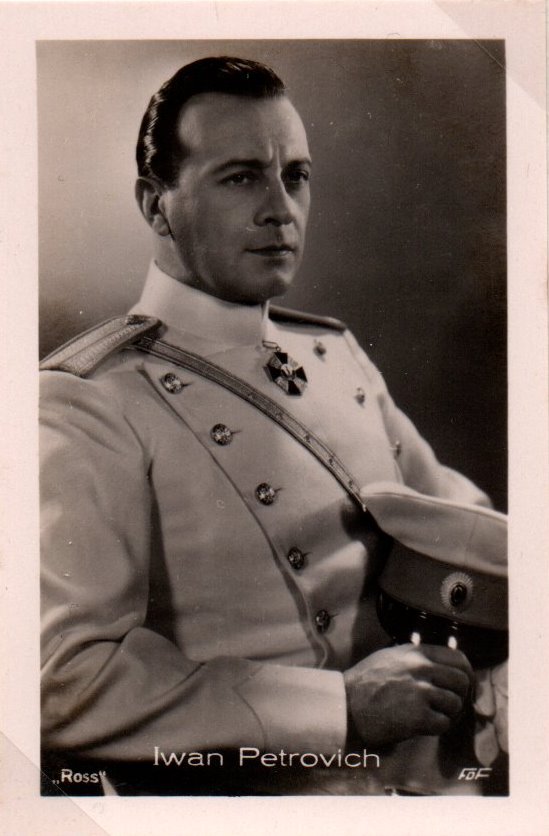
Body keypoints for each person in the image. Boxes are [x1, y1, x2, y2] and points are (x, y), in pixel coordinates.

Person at [40, 56, 507, 796]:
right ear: (156, 205)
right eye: (240, 178)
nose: (280, 210)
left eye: (295, 176)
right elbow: (66, 682)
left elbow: (468, 532)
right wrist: (338, 707)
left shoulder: (333, 353)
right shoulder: (87, 401)